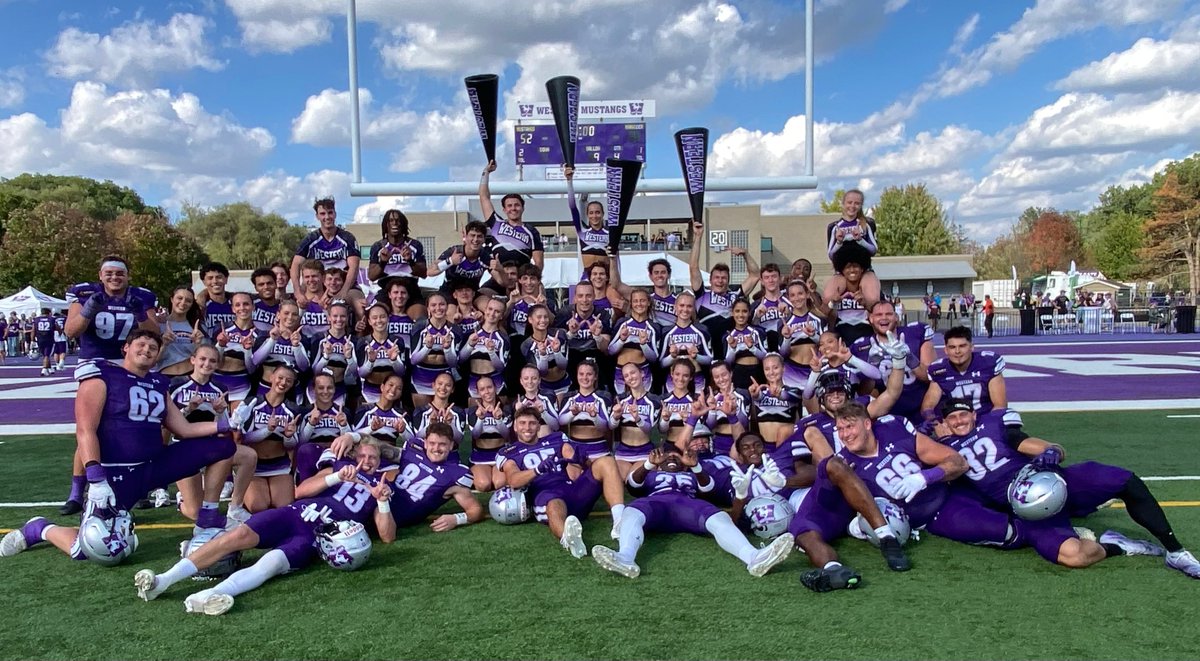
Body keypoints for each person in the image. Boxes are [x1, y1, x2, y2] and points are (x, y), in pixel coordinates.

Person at [1, 330, 237, 565]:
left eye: (152, 348)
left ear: (157, 357)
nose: (146, 350)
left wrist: (226, 423)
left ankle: (207, 517)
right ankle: (39, 528)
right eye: (141, 344)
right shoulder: (102, 375)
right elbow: (85, 430)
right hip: (116, 476)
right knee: (91, 551)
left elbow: (184, 429)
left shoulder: (158, 383)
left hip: (154, 466)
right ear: (126, 348)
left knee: (223, 447)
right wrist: (95, 478)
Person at [129, 439, 395, 615]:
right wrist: (336, 476)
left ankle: (209, 595)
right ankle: (163, 581)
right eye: (362, 455)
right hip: (294, 514)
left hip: (316, 537)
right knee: (235, 536)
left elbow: (387, 536)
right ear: (353, 455)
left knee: (269, 565)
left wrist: (382, 502)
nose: (367, 461)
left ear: (379, 461)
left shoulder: (381, 488)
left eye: (373, 457)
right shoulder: (340, 469)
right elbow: (301, 490)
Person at [937, 399, 1199, 576]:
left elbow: (1028, 443)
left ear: (973, 414)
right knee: (1074, 557)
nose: (959, 421)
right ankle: (1118, 545)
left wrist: (1052, 450)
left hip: (1052, 479)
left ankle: (1175, 551)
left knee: (1124, 480)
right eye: (952, 418)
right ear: (945, 423)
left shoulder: (992, 425)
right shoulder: (944, 450)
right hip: (1029, 510)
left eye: (963, 414)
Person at [591, 444, 794, 579]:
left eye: (676, 456)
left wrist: (695, 467)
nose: (672, 458)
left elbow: (709, 488)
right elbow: (633, 486)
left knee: (719, 517)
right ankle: (625, 557)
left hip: (687, 505)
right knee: (632, 512)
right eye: (667, 456)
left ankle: (753, 557)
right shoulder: (652, 476)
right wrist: (648, 464)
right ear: (658, 463)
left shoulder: (691, 476)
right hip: (656, 504)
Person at [59, 256, 159, 515]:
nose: (115, 278)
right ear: (100, 275)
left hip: (128, 363)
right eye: (109, 273)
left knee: (131, 425)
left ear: (128, 276)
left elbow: (154, 332)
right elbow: (71, 331)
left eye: (120, 274)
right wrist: (89, 308)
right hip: (93, 362)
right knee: (90, 426)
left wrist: (139, 312)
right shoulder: (84, 292)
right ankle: (77, 490)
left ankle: (134, 486)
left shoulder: (141, 296)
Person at [499, 407, 627, 557]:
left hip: (572, 490)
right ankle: (570, 539)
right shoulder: (509, 452)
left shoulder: (556, 438)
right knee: (554, 505)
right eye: (522, 423)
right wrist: (537, 471)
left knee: (607, 461)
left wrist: (580, 460)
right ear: (515, 426)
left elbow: (570, 454)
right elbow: (513, 480)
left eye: (532, 423)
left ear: (539, 426)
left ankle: (620, 522)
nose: (527, 427)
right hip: (546, 496)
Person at [169, 344, 256, 524]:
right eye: (202, 359)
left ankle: (235, 507)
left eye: (212, 361)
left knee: (249, 455)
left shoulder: (219, 388)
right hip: (183, 447)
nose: (207, 364)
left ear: (217, 365)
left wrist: (219, 412)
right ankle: (182, 500)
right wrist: (188, 409)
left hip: (209, 446)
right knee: (195, 513)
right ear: (193, 360)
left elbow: (223, 427)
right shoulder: (176, 384)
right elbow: (167, 422)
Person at [851, 300, 935, 425]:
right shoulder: (860, 346)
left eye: (889, 314)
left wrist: (909, 358)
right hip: (887, 416)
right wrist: (872, 367)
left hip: (920, 410)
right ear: (870, 318)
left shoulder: (915, 333)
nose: (884, 318)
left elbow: (932, 377)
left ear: (896, 317)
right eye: (879, 315)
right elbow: (864, 393)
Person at [291, 197, 364, 318]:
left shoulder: (347, 238)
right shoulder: (310, 239)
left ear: (335, 214)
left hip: (343, 283)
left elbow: (354, 266)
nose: (327, 217)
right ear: (317, 216)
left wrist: (343, 292)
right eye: (322, 214)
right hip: (318, 284)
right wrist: (298, 291)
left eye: (330, 212)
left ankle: (362, 336)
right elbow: (295, 265)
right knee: (296, 307)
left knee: (361, 308)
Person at [920, 325, 1008, 421]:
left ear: (971, 347)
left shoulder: (988, 363)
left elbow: (1000, 406)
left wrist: (986, 428)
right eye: (952, 347)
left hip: (986, 420)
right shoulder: (939, 370)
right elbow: (927, 407)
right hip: (956, 425)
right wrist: (936, 424)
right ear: (946, 350)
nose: (957, 351)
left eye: (962, 346)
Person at [480, 161, 544, 270]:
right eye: (509, 206)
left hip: (520, 277)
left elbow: (539, 262)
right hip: (499, 276)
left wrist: (535, 281)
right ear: (504, 210)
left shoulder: (531, 231)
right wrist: (486, 172)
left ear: (523, 208)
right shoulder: (496, 223)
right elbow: (484, 197)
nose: (513, 208)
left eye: (517, 205)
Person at [823, 190, 881, 310]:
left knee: (872, 298)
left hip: (864, 270)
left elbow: (874, 249)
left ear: (860, 206)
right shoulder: (834, 227)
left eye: (857, 203)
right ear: (843, 203)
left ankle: (873, 325)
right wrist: (839, 242)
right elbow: (831, 254)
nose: (852, 206)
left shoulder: (866, 224)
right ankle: (833, 325)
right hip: (842, 271)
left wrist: (860, 240)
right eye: (849, 202)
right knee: (828, 297)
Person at [367, 209, 427, 319]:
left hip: (410, 287)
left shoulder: (414, 245)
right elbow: (371, 276)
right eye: (390, 220)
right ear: (386, 225)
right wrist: (383, 262)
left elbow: (423, 273)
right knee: (374, 315)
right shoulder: (378, 246)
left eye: (398, 220)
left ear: (403, 224)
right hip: (387, 287)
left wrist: (410, 260)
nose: (394, 223)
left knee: (420, 317)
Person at [565, 165, 609, 273]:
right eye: (591, 213)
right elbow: (573, 207)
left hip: (605, 278)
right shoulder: (582, 231)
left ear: (603, 214)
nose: (594, 216)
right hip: (587, 278)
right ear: (587, 215)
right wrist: (569, 182)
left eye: (598, 212)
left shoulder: (610, 233)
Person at [155, 286, 204, 376]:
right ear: (172, 299)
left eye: (188, 301)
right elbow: (153, 360)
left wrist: (198, 344)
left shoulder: (197, 327)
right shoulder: (159, 325)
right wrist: (164, 345)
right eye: (180, 298)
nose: (183, 303)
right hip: (164, 375)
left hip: (189, 375)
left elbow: (203, 359)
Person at [250, 267, 281, 333]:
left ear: (275, 284)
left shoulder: (283, 307)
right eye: (261, 284)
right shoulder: (250, 305)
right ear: (256, 288)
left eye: (269, 283)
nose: (266, 287)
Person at [32, 307, 56, 376]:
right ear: (48, 313)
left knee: (44, 355)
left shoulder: (36, 319)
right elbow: (57, 327)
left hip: (40, 339)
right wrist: (60, 333)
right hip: (49, 339)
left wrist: (32, 340)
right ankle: (44, 369)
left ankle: (49, 367)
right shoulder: (51, 319)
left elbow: (33, 330)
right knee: (47, 355)